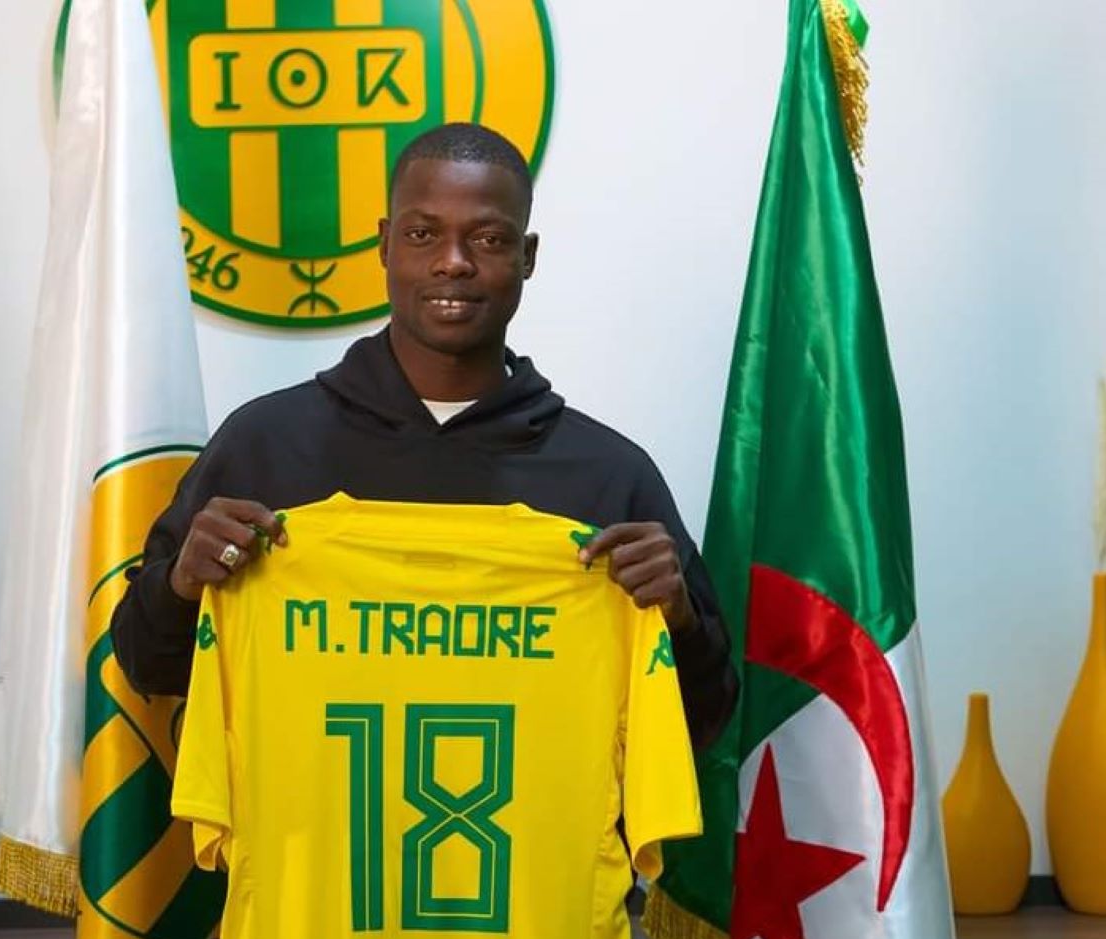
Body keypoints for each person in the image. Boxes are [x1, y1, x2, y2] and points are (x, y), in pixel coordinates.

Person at [110, 122, 736, 749]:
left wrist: (678, 623)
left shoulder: (605, 476)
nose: (453, 262)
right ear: (386, 246)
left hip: (531, 846)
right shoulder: (265, 445)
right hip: (305, 842)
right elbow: (146, 668)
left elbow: (704, 723)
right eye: (422, 234)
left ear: (528, 256)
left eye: (488, 239)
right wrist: (181, 589)